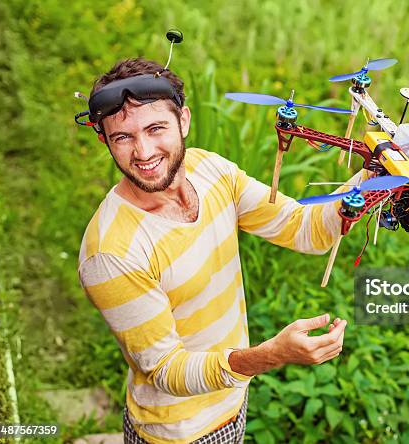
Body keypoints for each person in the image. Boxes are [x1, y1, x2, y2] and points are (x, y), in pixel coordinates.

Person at [77, 58, 364, 444]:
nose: (143, 152)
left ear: (184, 121)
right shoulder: (110, 253)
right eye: (123, 137)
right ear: (105, 141)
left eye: (155, 128)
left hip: (233, 396)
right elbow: (167, 370)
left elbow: (304, 229)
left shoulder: (210, 170)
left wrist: (376, 177)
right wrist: (270, 355)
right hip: (178, 432)